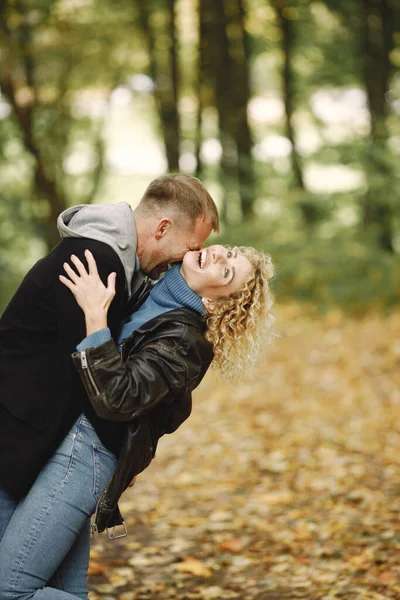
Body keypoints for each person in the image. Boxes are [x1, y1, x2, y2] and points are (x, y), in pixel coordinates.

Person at [0, 244, 275, 600]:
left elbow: (121, 398)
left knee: (11, 588)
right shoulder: (151, 290)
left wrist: (95, 315)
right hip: (68, 442)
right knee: (55, 588)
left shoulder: (186, 341)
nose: (221, 257)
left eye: (226, 273)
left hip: (86, 453)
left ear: (215, 304)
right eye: (231, 253)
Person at [0, 173, 219, 540]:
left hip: (30, 435)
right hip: (12, 440)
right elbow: (90, 377)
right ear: (163, 228)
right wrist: (122, 455)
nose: (189, 259)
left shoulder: (120, 263)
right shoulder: (97, 262)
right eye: (191, 246)